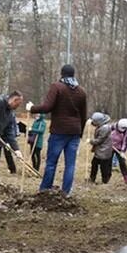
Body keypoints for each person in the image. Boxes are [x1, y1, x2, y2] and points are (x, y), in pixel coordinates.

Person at [27, 64, 89, 197]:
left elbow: (47, 107)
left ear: (61, 74)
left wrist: (32, 108)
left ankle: (45, 189)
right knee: (70, 164)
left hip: (59, 130)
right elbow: (83, 116)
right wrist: (80, 134)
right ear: (73, 75)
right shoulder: (82, 91)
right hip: (75, 132)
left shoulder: (57, 87)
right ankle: (66, 192)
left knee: (51, 162)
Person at [88, 112, 115, 184]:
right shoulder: (101, 126)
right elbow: (94, 124)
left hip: (104, 151)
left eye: (94, 121)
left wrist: (91, 141)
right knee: (94, 164)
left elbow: (99, 140)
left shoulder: (105, 128)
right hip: (99, 151)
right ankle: (92, 178)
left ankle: (105, 180)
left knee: (104, 167)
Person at [110, 118, 127, 184]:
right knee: (108, 161)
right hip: (110, 146)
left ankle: (126, 178)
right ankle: (106, 176)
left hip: (119, 148)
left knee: (122, 162)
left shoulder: (126, 132)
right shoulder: (112, 127)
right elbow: (106, 135)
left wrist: (123, 151)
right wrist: (108, 143)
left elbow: (125, 142)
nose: (123, 130)